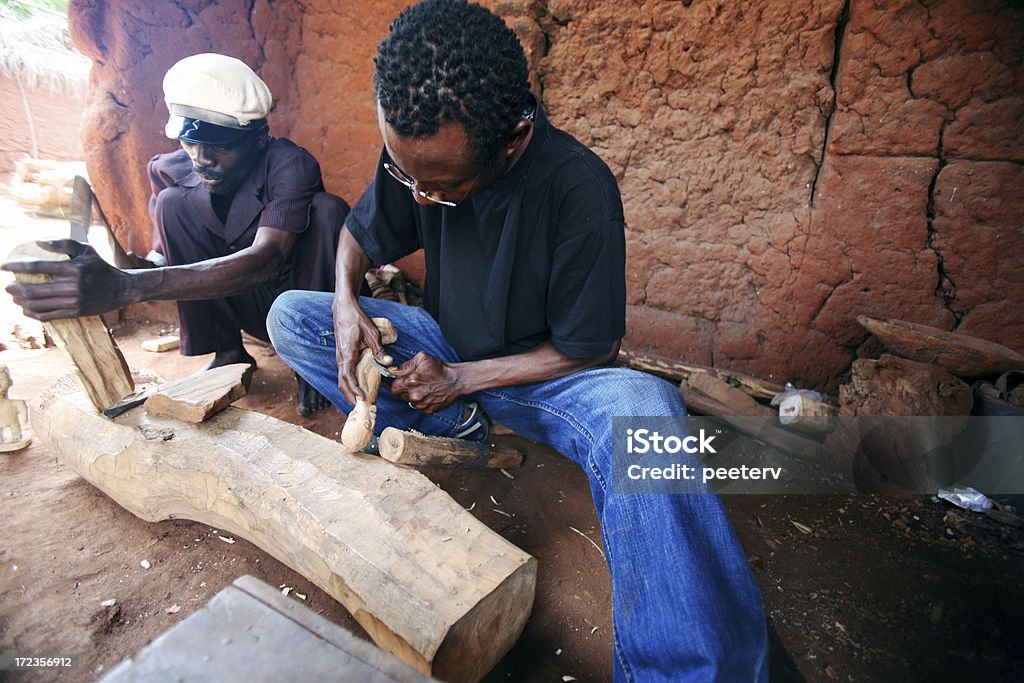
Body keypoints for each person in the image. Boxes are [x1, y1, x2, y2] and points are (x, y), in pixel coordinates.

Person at [267, 1, 768, 679]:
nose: (417, 195)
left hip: (545, 376)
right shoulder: (422, 149)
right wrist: (348, 298)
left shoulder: (577, 186)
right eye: (404, 171)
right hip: (444, 347)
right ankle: (457, 424)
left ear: (511, 139)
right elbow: (359, 231)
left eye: (442, 188)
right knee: (293, 316)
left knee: (644, 412)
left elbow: (593, 346)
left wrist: (464, 377)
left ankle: (688, 669)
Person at [3, 53, 347, 416]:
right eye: (189, 142)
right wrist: (112, 257)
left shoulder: (290, 164)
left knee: (326, 211)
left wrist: (124, 286)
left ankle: (311, 363)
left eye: (219, 145)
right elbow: (161, 261)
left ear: (259, 138)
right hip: (240, 302)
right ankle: (228, 350)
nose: (201, 157)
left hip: (297, 299)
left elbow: (267, 261)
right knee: (171, 203)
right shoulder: (168, 171)